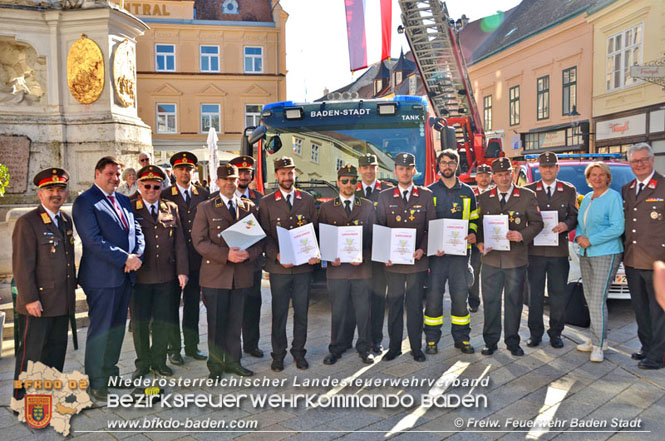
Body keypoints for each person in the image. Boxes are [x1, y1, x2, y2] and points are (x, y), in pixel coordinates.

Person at [73, 156, 144, 400]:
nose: (115, 178)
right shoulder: (85, 202)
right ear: (97, 174)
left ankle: (111, 373)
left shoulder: (124, 200)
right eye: (110, 174)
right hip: (101, 278)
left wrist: (137, 256)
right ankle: (97, 382)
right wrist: (125, 258)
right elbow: (93, 240)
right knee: (101, 330)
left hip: (125, 276)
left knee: (116, 330)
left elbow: (137, 231)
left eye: (117, 174)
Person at [192, 163, 263, 379]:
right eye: (225, 179)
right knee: (216, 323)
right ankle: (215, 367)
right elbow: (199, 242)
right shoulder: (206, 207)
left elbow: (259, 241)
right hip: (216, 276)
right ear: (218, 182)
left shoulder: (248, 206)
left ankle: (234, 362)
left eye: (233, 179)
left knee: (235, 322)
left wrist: (250, 254)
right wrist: (226, 255)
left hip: (240, 275)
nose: (230, 183)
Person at [12, 168, 76, 401]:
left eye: (60, 189)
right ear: (40, 194)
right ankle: (23, 395)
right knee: (32, 351)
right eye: (50, 189)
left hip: (62, 299)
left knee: (56, 349)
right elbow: (22, 265)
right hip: (38, 302)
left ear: (66, 193)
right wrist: (29, 298)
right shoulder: (27, 222)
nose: (56, 194)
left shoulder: (65, 220)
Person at [476, 157, 543, 357]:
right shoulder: (485, 198)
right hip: (491, 259)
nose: (504, 178)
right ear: (493, 177)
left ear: (512, 174)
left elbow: (537, 223)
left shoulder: (526, 195)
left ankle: (512, 341)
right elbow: (478, 224)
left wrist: (522, 235)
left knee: (514, 302)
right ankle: (490, 341)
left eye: (507, 174)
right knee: (490, 301)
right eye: (499, 175)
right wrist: (479, 242)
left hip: (516, 259)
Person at [258, 156, 319, 371]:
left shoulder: (307, 199)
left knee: (302, 312)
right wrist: (276, 256)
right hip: (279, 268)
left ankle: (299, 352)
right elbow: (264, 235)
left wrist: (315, 253)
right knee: (279, 313)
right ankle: (278, 354)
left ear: (295, 174)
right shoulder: (266, 202)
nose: (287, 177)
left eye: (291, 173)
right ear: (276, 175)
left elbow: (315, 231)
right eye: (283, 173)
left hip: (303, 267)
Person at [129, 166, 189, 380]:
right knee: (140, 324)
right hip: (140, 278)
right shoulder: (129, 207)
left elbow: (180, 242)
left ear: (162, 187)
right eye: (147, 186)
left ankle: (159, 361)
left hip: (166, 276)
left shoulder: (170, 207)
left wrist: (182, 271)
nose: (152, 190)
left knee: (164, 321)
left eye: (156, 186)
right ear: (139, 186)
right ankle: (142, 363)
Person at [375, 152, 436, 362]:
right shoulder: (384, 196)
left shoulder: (426, 195)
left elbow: (431, 229)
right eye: (401, 168)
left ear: (414, 171)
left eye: (409, 168)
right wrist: (384, 254)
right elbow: (380, 228)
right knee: (394, 306)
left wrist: (423, 250)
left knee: (415, 306)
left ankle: (416, 347)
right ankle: (393, 347)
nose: (405, 172)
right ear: (395, 171)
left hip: (417, 263)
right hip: (393, 264)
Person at [319, 164, 376, 365]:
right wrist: (328, 256)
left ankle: (365, 348)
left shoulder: (367, 206)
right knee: (339, 310)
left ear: (357, 183)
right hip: (337, 270)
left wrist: (364, 256)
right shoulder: (326, 208)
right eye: (345, 180)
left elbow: (373, 237)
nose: (349, 184)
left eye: (352, 181)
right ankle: (336, 348)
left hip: (361, 270)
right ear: (338, 182)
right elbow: (321, 237)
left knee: (363, 311)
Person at [424, 149, 478, 355]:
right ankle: (431, 339)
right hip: (436, 257)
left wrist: (473, 235)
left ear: (457, 165)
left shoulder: (468, 192)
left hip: (460, 256)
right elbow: (425, 224)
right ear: (438, 166)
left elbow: (474, 219)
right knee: (434, 298)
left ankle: (462, 339)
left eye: (451, 163)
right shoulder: (429, 192)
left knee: (460, 298)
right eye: (443, 162)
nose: (447, 166)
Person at [525, 152, 578, 349]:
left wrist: (566, 225)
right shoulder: (529, 191)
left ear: (557, 168)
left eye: (552, 166)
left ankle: (556, 333)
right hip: (535, 252)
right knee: (535, 295)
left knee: (558, 295)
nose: (548, 170)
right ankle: (535, 333)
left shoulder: (568, 190)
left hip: (558, 252)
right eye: (544, 166)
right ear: (539, 168)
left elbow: (574, 216)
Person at [161, 152, 209, 364]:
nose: (184, 172)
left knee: (192, 306)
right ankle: (174, 349)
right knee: (171, 307)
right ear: (173, 171)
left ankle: (192, 346)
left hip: (196, 261)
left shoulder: (203, 193)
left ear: (194, 171)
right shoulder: (165, 195)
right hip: (172, 261)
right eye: (180, 169)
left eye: (188, 169)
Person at [575, 162, 624, 363]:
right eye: (593, 175)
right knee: (590, 298)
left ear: (607, 178)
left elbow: (617, 227)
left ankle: (598, 346)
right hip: (586, 253)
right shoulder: (587, 198)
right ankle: (598, 339)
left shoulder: (613, 197)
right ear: (588, 178)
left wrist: (591, 240)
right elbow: (580, 224)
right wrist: (579, 237)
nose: (597, 178)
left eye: (601, 175)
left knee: (597, 299)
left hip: (606, 252)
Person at [622, 143, 665, 369]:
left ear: (652, 160)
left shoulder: (663, 186)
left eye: (643, 159)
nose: (639, 164)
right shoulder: (628, 189)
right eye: (635, 161)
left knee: (658, 311)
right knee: (640, 309)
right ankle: (647, 347)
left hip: (658, 261)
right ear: (630, 164)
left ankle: (658, 356)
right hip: (633, 259)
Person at [352, 153, 393, 353]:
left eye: (372, 167)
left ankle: (376, 340)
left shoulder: (387, 191)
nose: (368, 171)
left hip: (380, 256)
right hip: (358, 257)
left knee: (378, 300)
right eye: (365, 167)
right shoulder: (352, 191)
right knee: (360, 300)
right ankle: (362, 340)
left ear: (377, 169)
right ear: (360, 170)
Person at [230, 155, 265, 358]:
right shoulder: (219, 197)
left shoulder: (260, 198)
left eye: (247, 172)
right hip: (231, 263)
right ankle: (233, 347)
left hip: (252, 262)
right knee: (234, 307)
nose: (243, 175)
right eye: (239, 172)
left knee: (253, 304)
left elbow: (264, 229)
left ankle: (252, 344)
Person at [469, 164, 493, 312]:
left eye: (487, 175)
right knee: (474, 273)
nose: (484, 178)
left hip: (493, 240)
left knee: (490, 274)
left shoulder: (496, 195)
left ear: (491, 177)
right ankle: (474, 302)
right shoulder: (472, 195)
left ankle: (490, 301)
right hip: (475, 242)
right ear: (476, 177)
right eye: (481, 175)